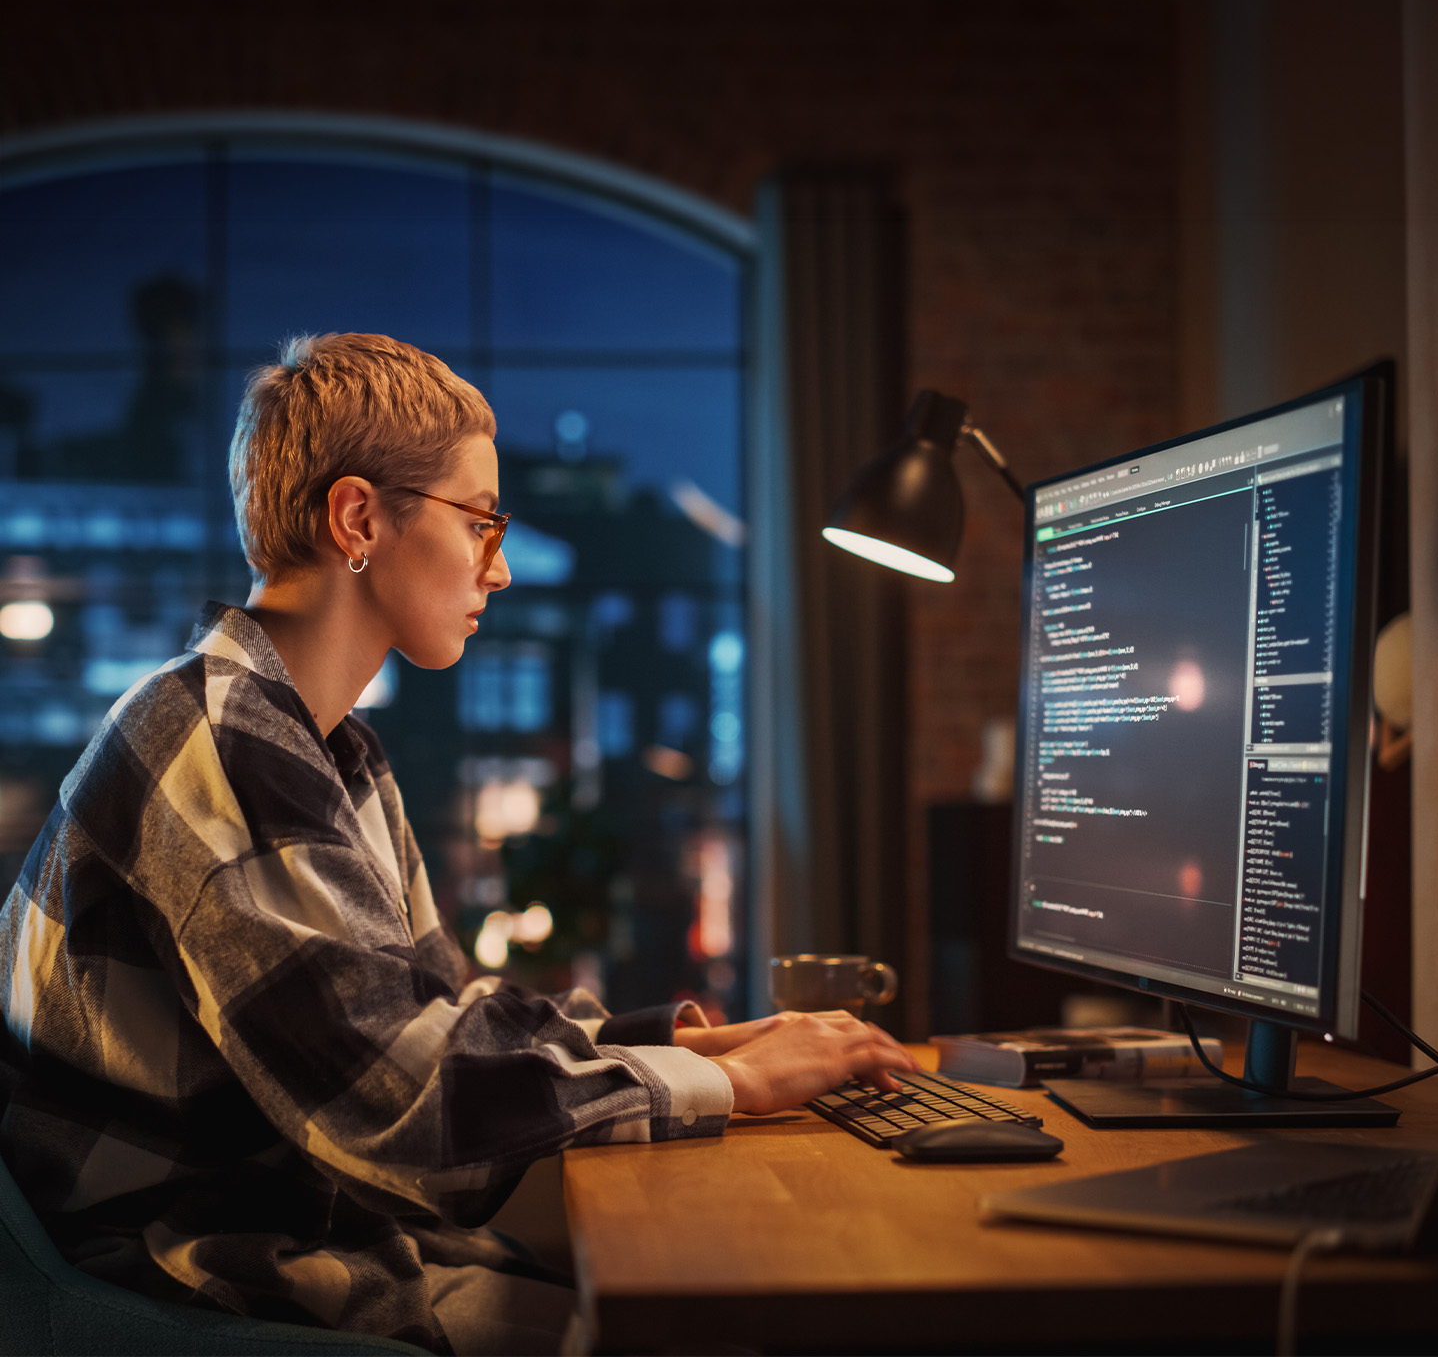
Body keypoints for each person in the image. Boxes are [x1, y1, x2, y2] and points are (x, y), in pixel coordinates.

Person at [0, 333, 913, 1354]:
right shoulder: (221, 744)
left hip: (296, 1232)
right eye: (481, 522)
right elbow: (402, 1105)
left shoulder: (328, 748)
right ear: (358, 518)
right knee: (698, 1322)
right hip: (200, 1280)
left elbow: (435, 1011)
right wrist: (731, 1086)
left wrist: (679, 1046)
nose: (505, 567)